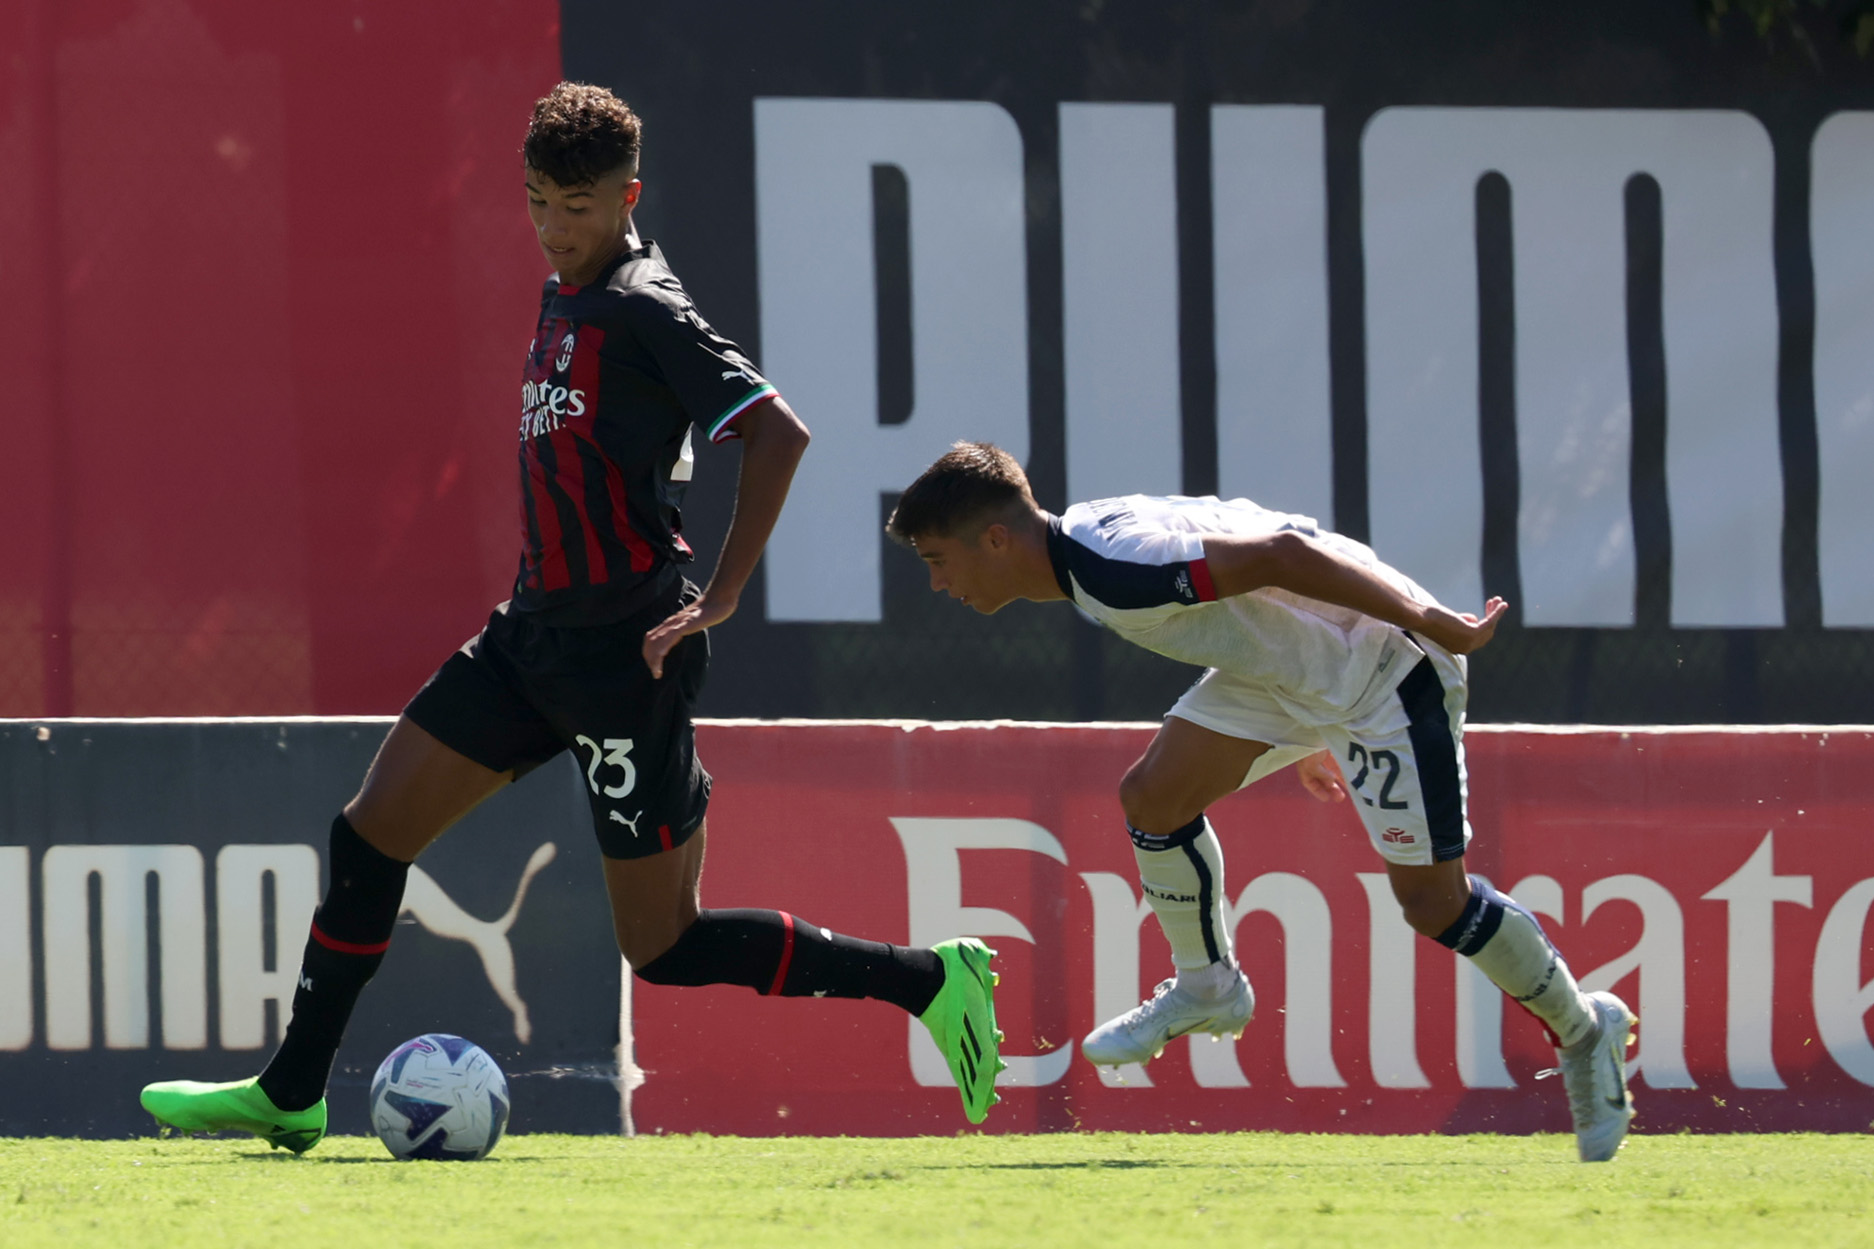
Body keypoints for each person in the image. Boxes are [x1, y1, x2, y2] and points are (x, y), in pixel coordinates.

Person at [139, 83, 1004, 1150]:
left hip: (623, 661)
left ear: (627, 197)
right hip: (528, 640)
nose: (555, 228)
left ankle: (928, 978)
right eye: (538, 202)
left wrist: (722, 596)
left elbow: (778, 434)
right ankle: (292, 1088)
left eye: (578, 207)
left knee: (665, 945)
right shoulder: (565, 294)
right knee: (368, 834)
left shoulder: (644, 304)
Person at [886, 441, 1637, 1163]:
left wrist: (1433, 622)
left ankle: (1581, 1028)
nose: (936, 583)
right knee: (1154, 798)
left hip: (1384, 673)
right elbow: (1244, 579)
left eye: (936, 560)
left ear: (992, 539)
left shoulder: (1111, 566)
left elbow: (1284, 552)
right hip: (1297, 676)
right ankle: (1208, 986)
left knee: (1433, 904)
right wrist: (1303, 725)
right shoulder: (1085, 546)